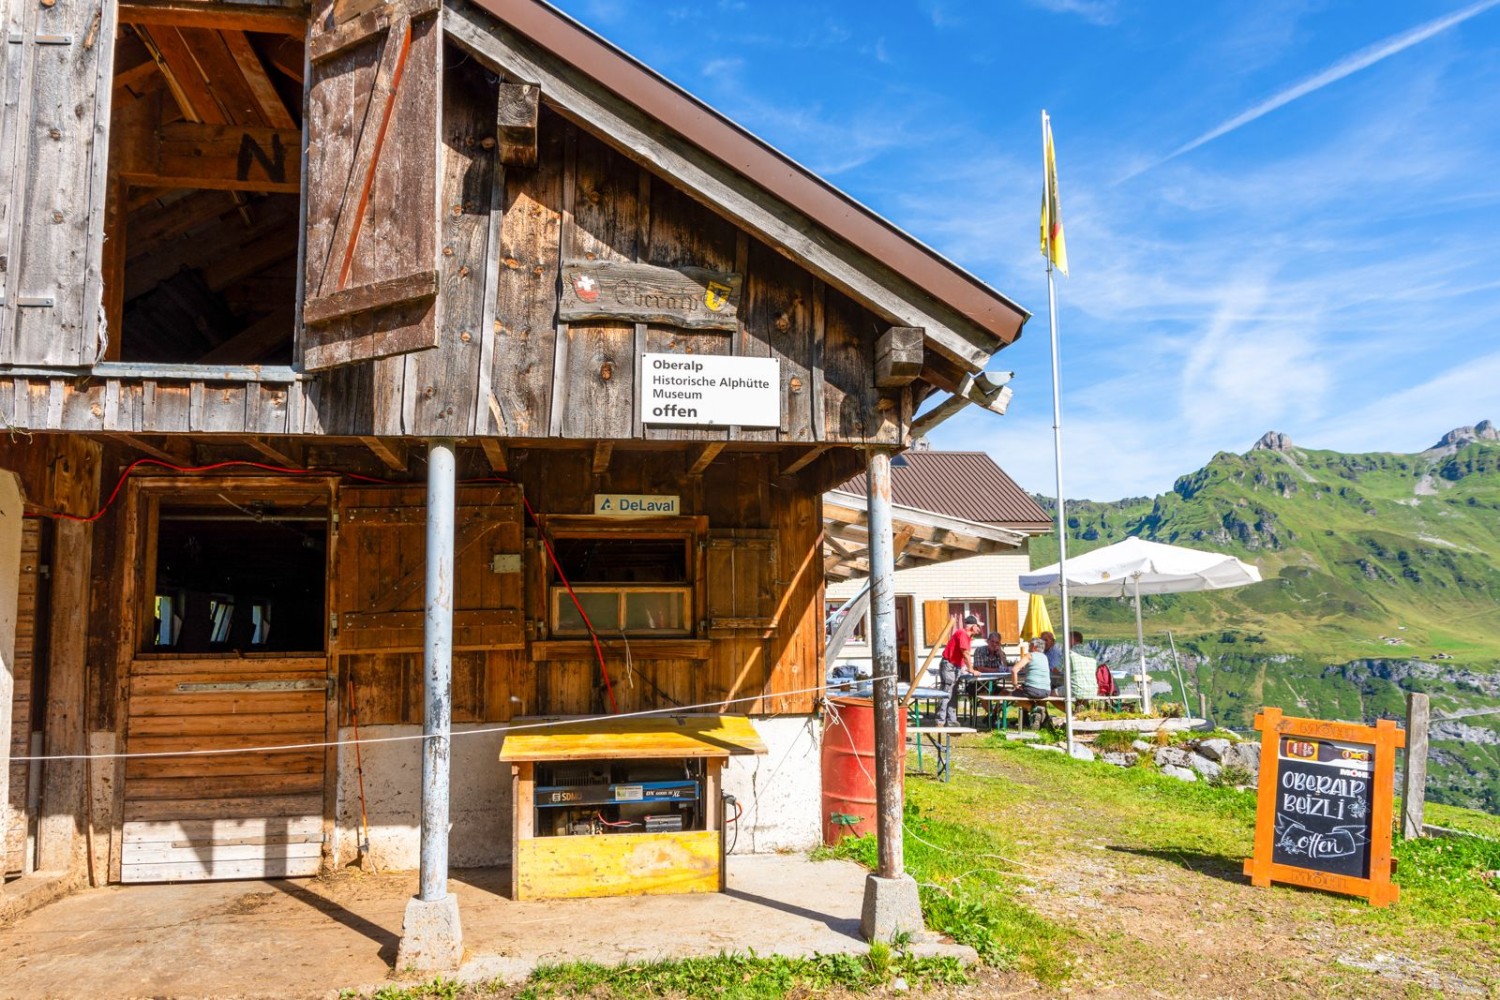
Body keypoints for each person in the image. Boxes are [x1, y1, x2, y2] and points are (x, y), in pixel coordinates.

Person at [938, 614, 982, 726]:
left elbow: (960, 654)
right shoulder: (962, 634)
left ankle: (951, 720)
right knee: (947, 692)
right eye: (978, 626)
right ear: (973, 626)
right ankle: (940, 720)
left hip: (954, 666)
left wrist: (962, 666)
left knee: (953, 693)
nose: (980, 629)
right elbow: (965, 653)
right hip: (949, 666)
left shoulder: (966, 636)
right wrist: (971, 669)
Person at [1064, 629, 1099, 701]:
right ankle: (1079, 710)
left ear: (1072, 640)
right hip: (1093, 690)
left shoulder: (1069, 653)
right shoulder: (1091, 654)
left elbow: (1056, 670)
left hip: (1075, 690)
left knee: (1050, 693)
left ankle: (1070, 711)